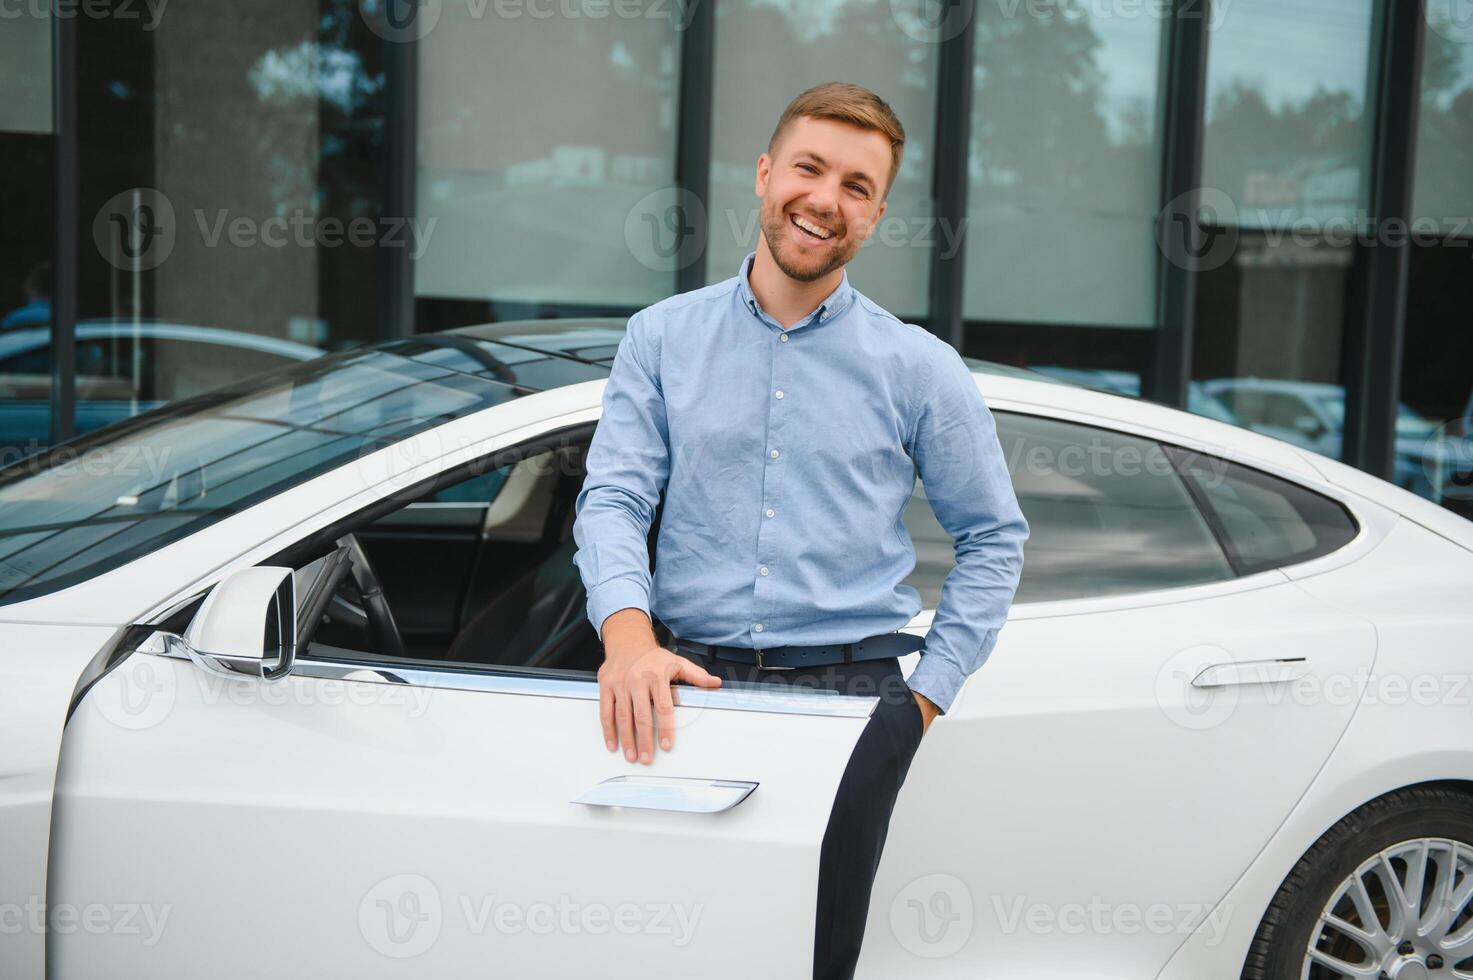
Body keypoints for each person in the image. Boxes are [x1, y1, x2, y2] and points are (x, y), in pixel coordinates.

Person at [571, 81, 1029, 980]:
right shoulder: (660, 339)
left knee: (815, 958)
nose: (825, 200)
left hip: (853, 699)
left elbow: (992, 538)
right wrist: (626, 642)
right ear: (763, 173)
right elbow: (613, 500)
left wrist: (922, 701)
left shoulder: (919, 370)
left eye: (856, 186)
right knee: (664, 949)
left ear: (877, 214)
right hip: (679, 686)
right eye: (810, 169)